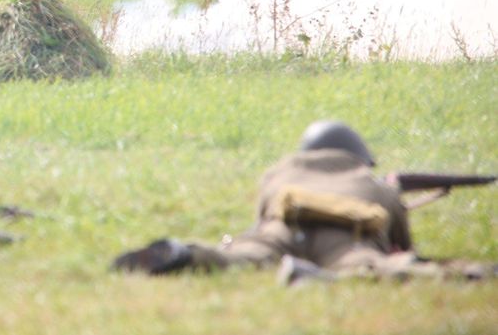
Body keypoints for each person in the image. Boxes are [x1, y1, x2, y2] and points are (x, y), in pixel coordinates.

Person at [110, 120, 494, 284]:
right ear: (358, 155)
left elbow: (261, 217)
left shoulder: (279, 172)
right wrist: (403, 255)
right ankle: (479, 274)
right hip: (347, 237)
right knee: (372, 269)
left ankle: (185, 254)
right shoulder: (375, 185)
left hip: (281, 228)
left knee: (240, 257)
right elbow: (401, 243)